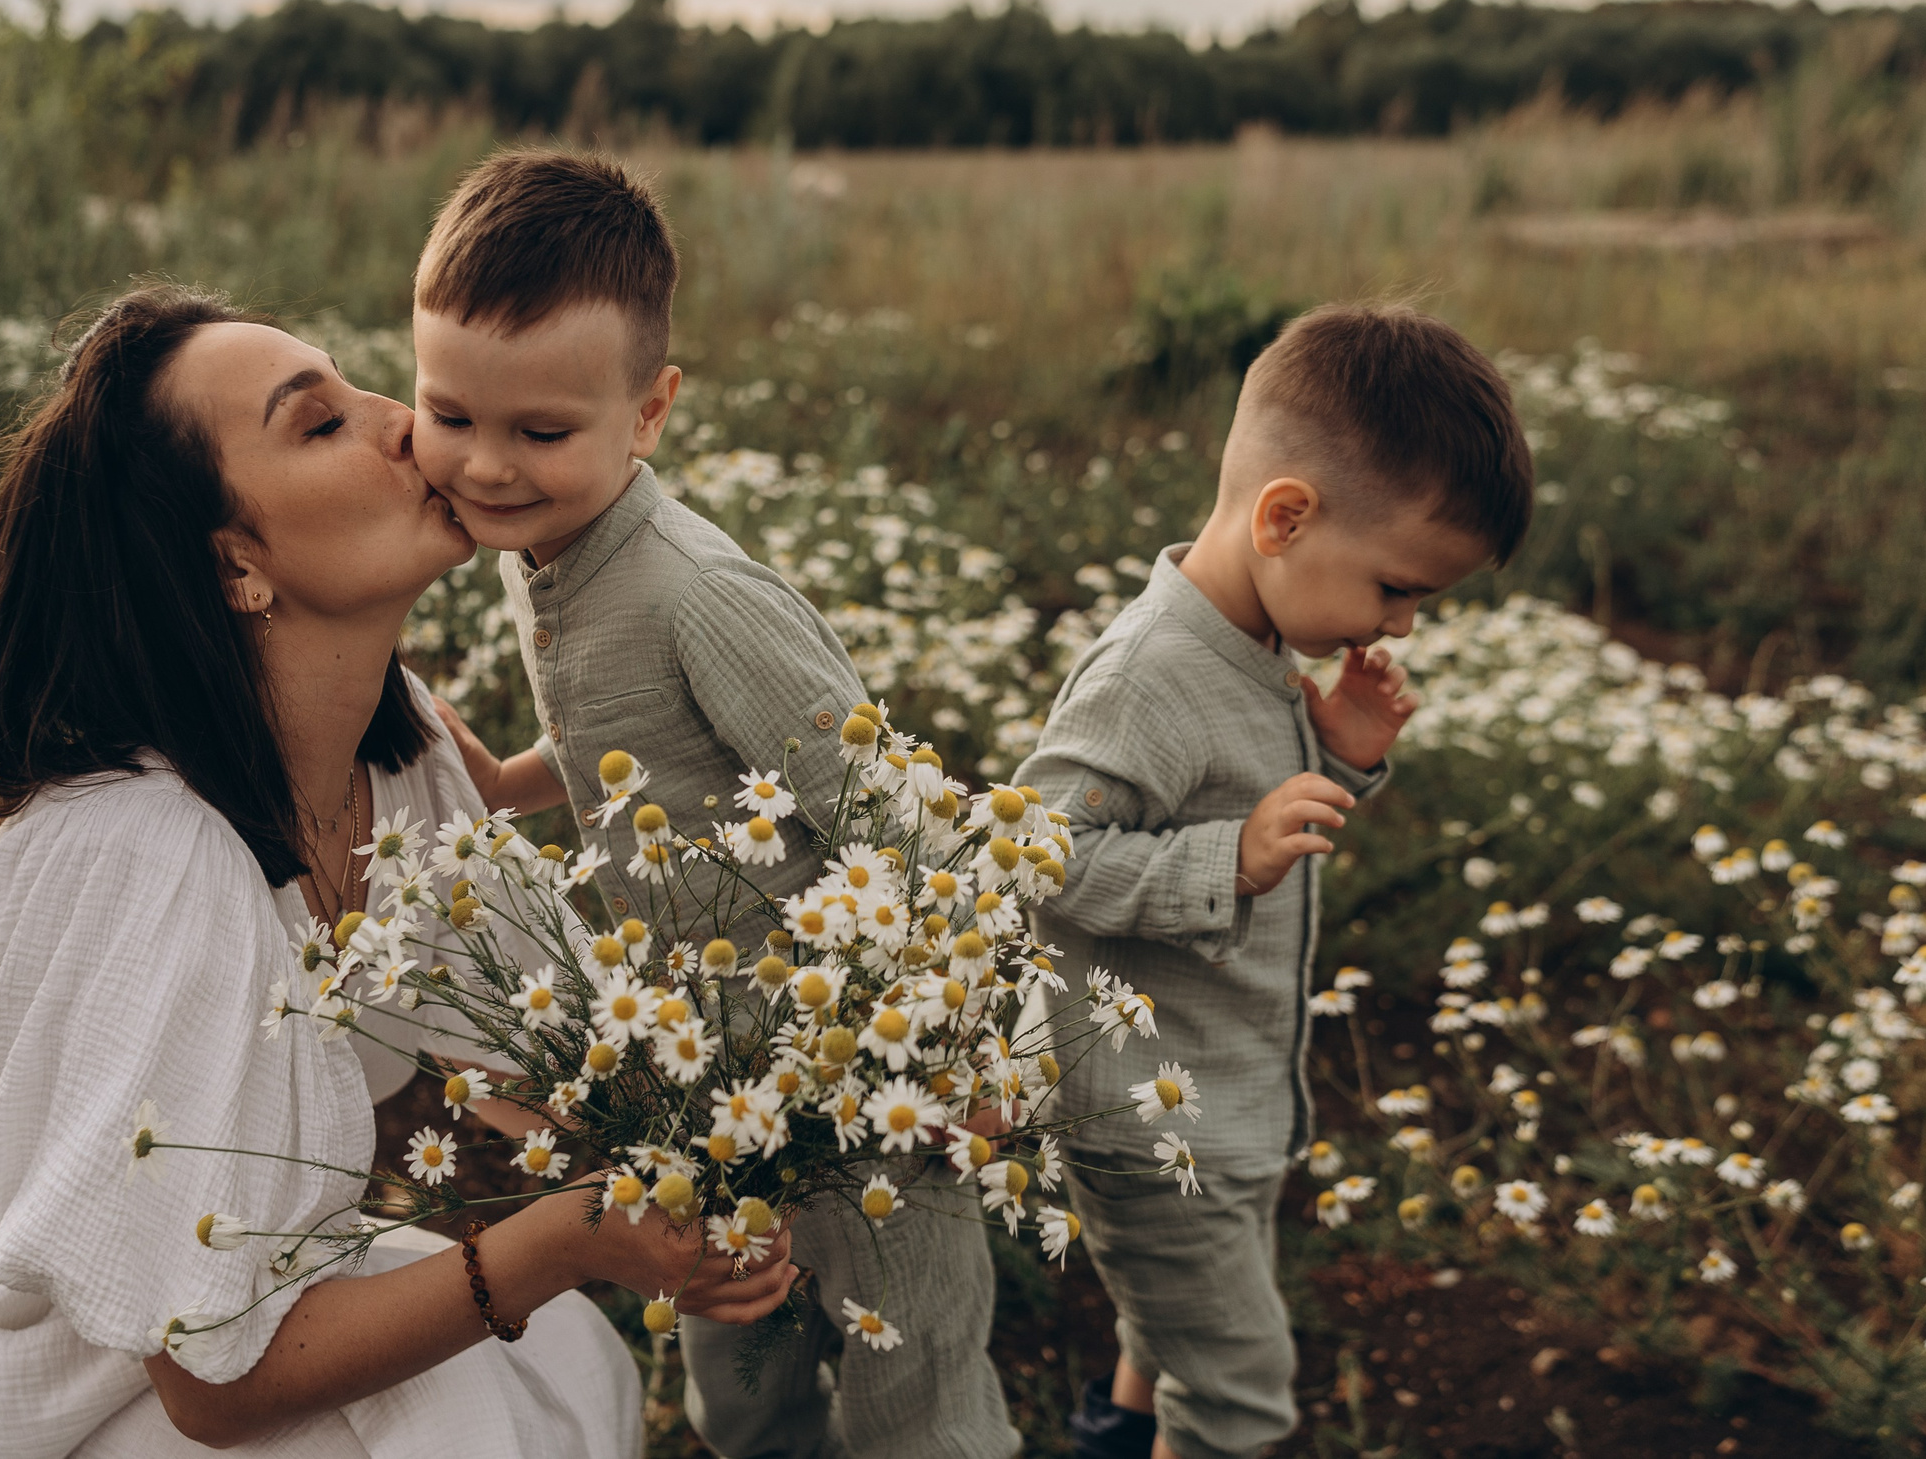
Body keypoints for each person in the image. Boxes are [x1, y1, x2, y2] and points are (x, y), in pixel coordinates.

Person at [0, 286, 795, 1459]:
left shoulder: (403, 755)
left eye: (361, 387)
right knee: (450, 1404)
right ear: (237, 564)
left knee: (554, 1364)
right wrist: (561, 1240)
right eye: (319, 422)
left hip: (210, 1324)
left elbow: (552, 1058)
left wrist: (821, 1110)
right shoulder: (137, 853)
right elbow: (211, 1386)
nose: (405, 421)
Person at [407, 150, 1020, 1459]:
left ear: (652, 411)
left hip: (854, 1058)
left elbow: (887, 804)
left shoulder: (697, 592)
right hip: (706, 1066)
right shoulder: (556, 550)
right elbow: (640, 746)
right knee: (739, 1361)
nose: (488, 465)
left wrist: (968, 1036)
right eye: (449, 414)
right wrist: (518, 776)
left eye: (542, 431)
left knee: (905, 1366)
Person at [1015, 304, 1534, 1459]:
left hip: (1223, 1094)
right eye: (1398, 588)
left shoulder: (1251, 647)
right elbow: (1036, 853)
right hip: (1150, 1120)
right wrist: (1227, 858)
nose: (1400, 622)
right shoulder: (1148, 673)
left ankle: (1115, 1433)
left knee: (1173, 1342)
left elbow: (1249, 814)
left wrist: (1337, 759)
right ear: (1285, 517)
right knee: (1237, 1395)